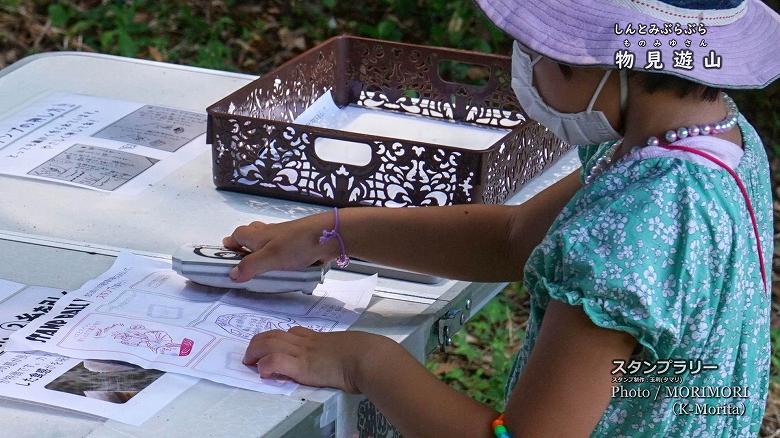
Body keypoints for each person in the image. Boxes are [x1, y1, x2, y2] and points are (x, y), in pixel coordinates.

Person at [225, 0, 779, 436]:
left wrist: (365, 362)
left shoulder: (636, 223)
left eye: (533, 49)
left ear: (603, 62)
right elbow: (513, 240)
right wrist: (334, 231)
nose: (524, 66)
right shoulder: (711, 144)